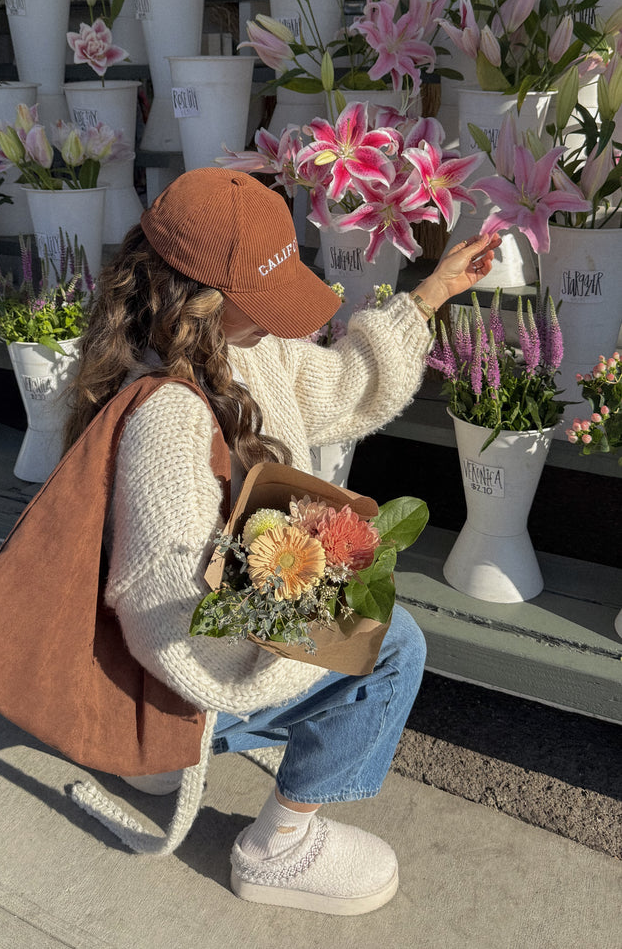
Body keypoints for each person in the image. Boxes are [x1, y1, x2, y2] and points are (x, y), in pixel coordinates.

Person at [64, 168, 500, 915]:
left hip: (176, 643)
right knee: (391, 646)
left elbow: (339, 384)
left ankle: (152, 751)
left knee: (354, 612)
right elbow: (164, 615)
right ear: (202, 297)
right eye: (263, 301)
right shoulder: (168, 419)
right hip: (187, 664)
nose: (279, 319)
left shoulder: (223, 348)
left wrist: (430, 294)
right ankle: (279, 844)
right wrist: (297, 652)